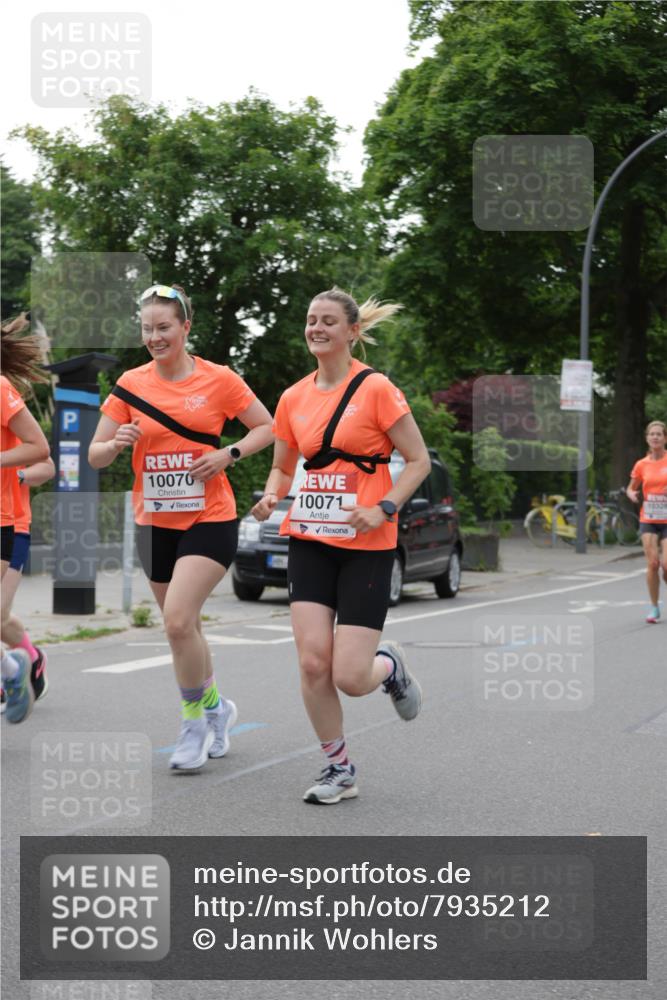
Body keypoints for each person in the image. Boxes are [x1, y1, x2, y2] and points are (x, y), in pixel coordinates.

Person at [252, 287, 431, 804]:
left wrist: (384, 508)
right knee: (312, 662)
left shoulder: (377, 389)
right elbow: (284, 466)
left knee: (351, 677)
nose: (317, 328)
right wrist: (270, 496)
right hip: (310, 536)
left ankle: (389, 667)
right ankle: (340, 769)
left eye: (329, 321)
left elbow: (417, 461)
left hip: (366, 540)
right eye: (311, 320)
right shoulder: (292, 398)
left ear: (353, 331)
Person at [89, 284, 274, 771]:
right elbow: (94, 451)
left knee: (174, 621)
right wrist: (116, 444)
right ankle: (219, 709)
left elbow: (267, 426)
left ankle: (193, 723)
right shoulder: (130, 384)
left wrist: (227, 453)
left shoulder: (219, 379)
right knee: (185, 628)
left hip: (208, 517)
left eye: (164, 327)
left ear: (186, 327)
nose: (155, 336)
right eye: (147, 328)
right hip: (154, 520)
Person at [1, 314, 52, 722]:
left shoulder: (4, 394)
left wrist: (13, 471)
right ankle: (18, 665)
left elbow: (43, 456)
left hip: (10, 521)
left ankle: (19, 667)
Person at [626, 419, 667, 623]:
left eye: (659, 434)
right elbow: (631, 487)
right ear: (647, 438)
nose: (655, 437)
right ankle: (654, 607)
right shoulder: (642, 464)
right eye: (652, 434)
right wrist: (632, 494)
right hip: (649, 517)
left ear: (665, 438)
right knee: (653, 563)